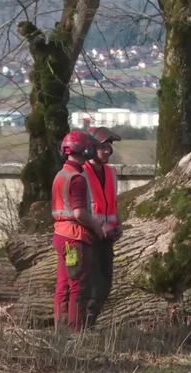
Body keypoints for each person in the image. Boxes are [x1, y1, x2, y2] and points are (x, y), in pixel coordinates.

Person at [52, 130, 109, 332]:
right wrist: (96, 226)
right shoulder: (77, 178)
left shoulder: (61, 175)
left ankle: (61, 328)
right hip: (74, 239)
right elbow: (79, 213)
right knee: (78, 284)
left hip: (60, 235)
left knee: (63, 284)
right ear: (84, 149)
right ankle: (76, 331)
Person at [82, 126, 123, 328]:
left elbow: (113, 202)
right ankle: (83, 325)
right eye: (103, 147)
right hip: (88, 236)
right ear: (91, 148)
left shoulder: (110, 172)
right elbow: (80, 207)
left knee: (105, 284)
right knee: (91, 284)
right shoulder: (82, 173)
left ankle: (91, 322)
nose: (107, 151)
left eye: (109, 147)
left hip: (107, 237)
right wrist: (99, 225)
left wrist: (118, 224)